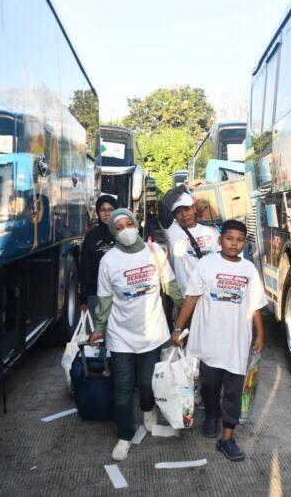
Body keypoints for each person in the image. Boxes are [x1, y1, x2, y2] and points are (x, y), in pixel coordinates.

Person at [88, 208, 184, 462]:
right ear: (113, 233)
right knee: (122, 388)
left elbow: (171, 287)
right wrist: (98, 327)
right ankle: (124, 435)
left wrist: (188, 312)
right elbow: (105, 299)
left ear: (135, 223)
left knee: (147, 383)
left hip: (152, 333)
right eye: (118, 228)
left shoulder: (154, 252)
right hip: (121, 335)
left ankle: (148, 414)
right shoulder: (109, 261)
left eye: (128, 224)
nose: (125, 231)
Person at [171, 219, 267, 462]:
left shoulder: (249, 270)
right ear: (220, 239)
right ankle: (212, 413)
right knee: (210, 385)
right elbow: (191, 298)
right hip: (210, 340)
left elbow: (255, 305)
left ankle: (227, 438)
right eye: (229, 238)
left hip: (237, 342)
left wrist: (260, 333)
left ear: (245, 244)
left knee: (234, 391)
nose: (234, 244)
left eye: (239, 240)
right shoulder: (206, 264)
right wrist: (178, 328)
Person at [163, 192, 220, 293]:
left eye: (187, 209)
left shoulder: (212, 231)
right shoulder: (173, 232)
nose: (184, 214)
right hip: (187, 296)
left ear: (194, 208)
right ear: (174, 216)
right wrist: (183, 187)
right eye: (179, 212)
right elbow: (162, 205)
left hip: (211, 292)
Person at [79, 194, 120, 316]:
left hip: (121, 294)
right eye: (103, 210)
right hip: (96, 294)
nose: (107, 214)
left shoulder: (122, 233)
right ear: (98, 212)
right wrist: (83, 298)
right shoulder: (91, 237)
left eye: (111, 210)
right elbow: (85, 268)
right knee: (99, 327)